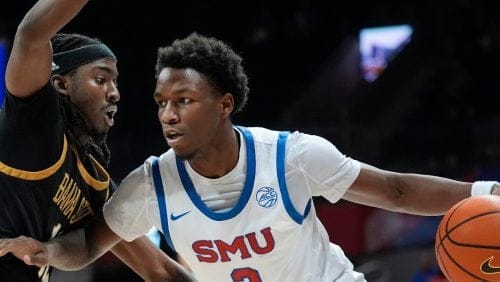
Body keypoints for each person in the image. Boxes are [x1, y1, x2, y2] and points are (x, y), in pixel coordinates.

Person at [1, 32, 499, 281]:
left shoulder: (292, 156)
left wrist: (485, 194)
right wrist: (50, 252)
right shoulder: (150, 185)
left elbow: (394, 189)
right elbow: (89, 245)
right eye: (161, 104)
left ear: (224, 105)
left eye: (184, 101)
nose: (168, 115)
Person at [0, 0, 195, 281]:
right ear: (61, 84)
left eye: (115, 83)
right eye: (101, 79)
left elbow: (160, 270)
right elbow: (31, 34)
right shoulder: (34, 127)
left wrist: (51, 250)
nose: (114, 93)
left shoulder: (93, 180)